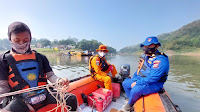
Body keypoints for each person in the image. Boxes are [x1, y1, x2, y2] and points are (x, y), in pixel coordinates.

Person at [0, 22, 78, 112]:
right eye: (17, 41)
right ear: (10, 39)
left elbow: (51, 76)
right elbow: (3, 87)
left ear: (30, 39)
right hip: (20, 99)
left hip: (43, 93)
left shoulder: (41, 57)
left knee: (72, 98)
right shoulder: (3, 60)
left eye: (25, 40)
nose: (21, 43)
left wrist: (59, 81)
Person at [122, 36, 169, 111]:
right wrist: (134, 77)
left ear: (156, 46)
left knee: (136, 89)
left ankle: (130, 105)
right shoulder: (144, 56)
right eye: (145, 46)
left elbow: (153, 78)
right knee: (125, 83)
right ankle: (130, 98)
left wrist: (137, 83)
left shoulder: (161, 59)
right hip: (141, 79)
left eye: (150, 45)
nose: (147, 48)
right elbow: (139, 69)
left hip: (155, 83)